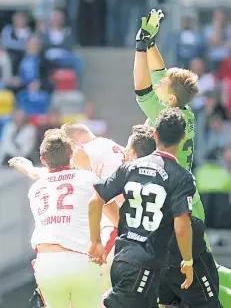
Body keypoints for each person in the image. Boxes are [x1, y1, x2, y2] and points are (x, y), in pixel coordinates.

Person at [133, 9, 231, 306]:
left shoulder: (165, 114)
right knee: (201, 274)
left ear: (170, 100)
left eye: (163, 87)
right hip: (190, 204)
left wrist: (138, 48)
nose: (158, 83)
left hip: (177, 212)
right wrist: (150, 43)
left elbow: (141, 88)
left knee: (192, 284)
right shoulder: (181, 113)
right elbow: (159, 74)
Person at [88, 108, 196, 308]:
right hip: (142, 265)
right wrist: (188, 262)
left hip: (122, 259)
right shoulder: (181, 177)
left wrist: (95, 241)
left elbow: (95, 200)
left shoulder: (130, 167)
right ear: (182, 137)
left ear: (155, 135)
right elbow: (182, 227)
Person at [27, 131, 107, 308]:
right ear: (71, 154)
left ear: (42, 160)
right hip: (81, 258)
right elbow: (111, 214)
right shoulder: (89, 178)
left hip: (47, 261)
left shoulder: (35, 188)